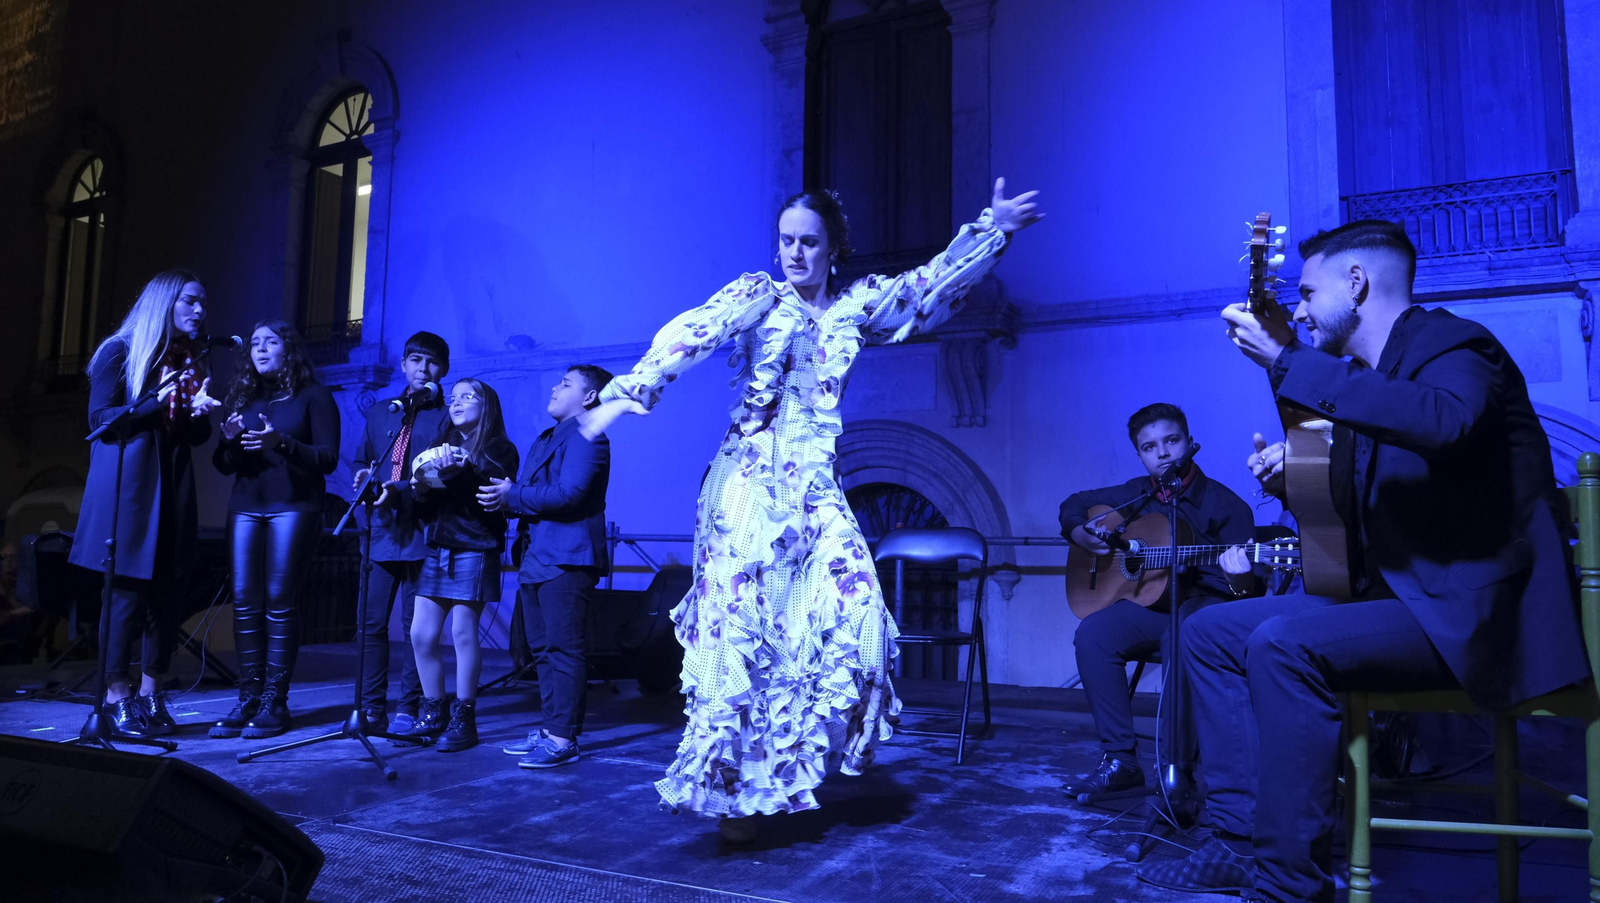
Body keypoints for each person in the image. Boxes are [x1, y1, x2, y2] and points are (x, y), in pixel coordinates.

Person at [1137, 219, 1589, 903]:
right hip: (1401, 602)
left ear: (1356, 283)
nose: (1297, 308)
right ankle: (1235, 838)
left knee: (1284, 646)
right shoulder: (1364, 383)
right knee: (1206, 632)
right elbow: (1355, 519)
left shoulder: (1454, 343)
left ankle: (1287, 883)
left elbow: (1445, 421)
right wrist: (1291, 479)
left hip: (1471, 614)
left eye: (1309, 291)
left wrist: (1286, 361)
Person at [593, 179, 1044, 841]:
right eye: (786, 241)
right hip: (746, 485)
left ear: (836, 248)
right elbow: (697, 330)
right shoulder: (758, 298)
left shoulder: (855, 307)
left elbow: (923, 293)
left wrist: (990, 231)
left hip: (812, 488)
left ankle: (790, 768)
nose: (794, 254)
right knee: (743, 640)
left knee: (860, 617)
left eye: (808, 242)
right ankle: (734, 797)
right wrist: (631, 389)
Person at [1058, 403, 1258, 797]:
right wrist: (1078, 532)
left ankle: (1176, 772)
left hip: (1206, 609)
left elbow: (1248, 597)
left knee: (1183, 635)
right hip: (1153, 607)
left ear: (1189, 442)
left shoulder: (1226, 506)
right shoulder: (1135, 495)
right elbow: (1075, 503)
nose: (1162, 453)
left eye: (1171, 441)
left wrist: (1240, 578)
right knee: (1094, 634)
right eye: (1149, 447)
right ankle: (1121, 761)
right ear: (1140, 455)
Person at [68, 269, 221, 736]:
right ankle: (117, 695)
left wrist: (196, 414)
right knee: (126, 594)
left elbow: (191, 436)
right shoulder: (120, 351)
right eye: (191, 301)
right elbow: (100, 419)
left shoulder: (189, 359)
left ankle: (153, 693)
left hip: (172, 484)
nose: (200, 311)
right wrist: (161, 400)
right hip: (130, 487)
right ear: (165, 303)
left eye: (202, 303)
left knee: (169, 592)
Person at [478, 365, 614, 769]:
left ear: (589, 397)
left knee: (563, 649)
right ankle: (552, 727)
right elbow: (529, 495)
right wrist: (504, 498)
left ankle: (563, 738)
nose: (555, 388)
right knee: (542, 650)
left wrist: (513, 494)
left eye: (567, 384)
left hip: (569, 557)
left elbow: (570, 494)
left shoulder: (590, 435)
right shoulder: (547, 438)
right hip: (538, 557)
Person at [209, 320, 340, 739]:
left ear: (289, 349)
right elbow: (223, 464)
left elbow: (327, 458)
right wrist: (229, 442)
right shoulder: (245, 399)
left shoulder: (314, 397)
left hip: (294, 508)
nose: (260, 348)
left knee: (279, 603)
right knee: (245, 603)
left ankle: (274, 702)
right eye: (254, 343)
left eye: (270, 341)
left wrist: (279, 442)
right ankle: (248, 697)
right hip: (247, 506)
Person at [395, 377, 519, 752]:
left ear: (487, 406)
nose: (458, 402)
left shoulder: (501, 449)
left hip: (475, 547)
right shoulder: (439, 445)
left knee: (463, 633)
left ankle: (464, 717)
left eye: (469, 397)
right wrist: (417, 491)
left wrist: (458, 474)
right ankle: (433, 712)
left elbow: (486, 504)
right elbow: (426, 507)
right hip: (437, 546)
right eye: (454, 397)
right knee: (420, 634)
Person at [353, 332, 451, 734]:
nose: (421, 369)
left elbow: (448, 476)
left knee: (417, 630)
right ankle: (371, 708)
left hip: (424, 533)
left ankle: (409, 708)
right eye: (414, 360)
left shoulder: (447, 415)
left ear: (441, 369)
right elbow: (364, 459)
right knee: (370, 626)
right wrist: (362, 475)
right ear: (403, 365)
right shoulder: (381, 412)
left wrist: (409, 489)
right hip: (381, 532)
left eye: (430, 363)